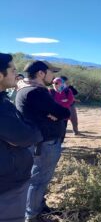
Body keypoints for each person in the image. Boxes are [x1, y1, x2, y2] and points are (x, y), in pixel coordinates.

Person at [15, 60, 70, 221]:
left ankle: (39, 207)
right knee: (38, 180)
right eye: (51, 72)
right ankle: (32, 215)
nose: (54, 76)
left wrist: (54, 114)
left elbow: (55, 112)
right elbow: (62, 112)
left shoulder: (26, 88)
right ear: (41, 73)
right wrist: (56, 114)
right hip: (44, 144)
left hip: (39, 142)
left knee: (39, 179)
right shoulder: (35, 92)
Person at [0, 53, 42, 222]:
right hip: (7, 186)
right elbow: (27, 136)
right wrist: (31, 130)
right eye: (13, 70)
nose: (16, 74)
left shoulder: (3, 101)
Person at [49, 77, 75, 143]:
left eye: (57, 83)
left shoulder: (67, 91)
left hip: (64, 115)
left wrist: (57, 102)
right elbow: (49, 102)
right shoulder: (50, 91)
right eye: (53, 83)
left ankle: (60, 144)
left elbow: (70, 101)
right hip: (53, 115)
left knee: (62, 130)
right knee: (52, 129)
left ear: (62, 83)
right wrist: (62, 101)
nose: (55, 84)